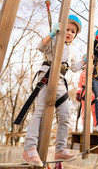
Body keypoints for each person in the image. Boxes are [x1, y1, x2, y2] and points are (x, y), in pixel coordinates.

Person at [22, 15, 86, 167]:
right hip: (47, 76)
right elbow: (40, 46)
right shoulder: (55, 41)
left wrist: (84, 60)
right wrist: (52, 34)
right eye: (68, 29)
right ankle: (29, 148)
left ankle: (60, 149)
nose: (70, 33)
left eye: (73, 31)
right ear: (61, 29)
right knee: (40, 112)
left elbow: (74, 67)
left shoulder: (71, 49)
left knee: (65, 114)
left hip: (61, 81)